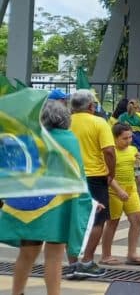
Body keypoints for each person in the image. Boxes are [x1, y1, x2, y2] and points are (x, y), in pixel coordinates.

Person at [0, 100, 92, 295]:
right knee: (54, 257)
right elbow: (77, 176)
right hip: (59, 205)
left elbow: (14, 170)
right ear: (66, 118)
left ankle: (17, 292)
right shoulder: (69, 140)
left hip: (28, 204)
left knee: (26, 254)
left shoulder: (29, 138)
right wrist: (86, 200)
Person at [68, 89, 117, 278]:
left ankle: (73, 264)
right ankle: (87, 261)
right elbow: (110, 152)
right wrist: (111, 173)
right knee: (97, 219)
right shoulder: (99, 122)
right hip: (95, 176)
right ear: (90, 106)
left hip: (70, 176)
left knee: (73, 219)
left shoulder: (65, 123)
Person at [99, 123, 140, 266]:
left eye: (130, 137)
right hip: (114, 191)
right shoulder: (110, 152)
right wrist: (118, 190)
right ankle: (106, 254)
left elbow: (137, 169)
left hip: (130, 189)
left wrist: (139, 160)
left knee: (137, 218)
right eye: (124, 138)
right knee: (112, 222)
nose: (128, 141)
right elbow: (106, 175)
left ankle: (132, 253)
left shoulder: (132, 149)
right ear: (115, 138)